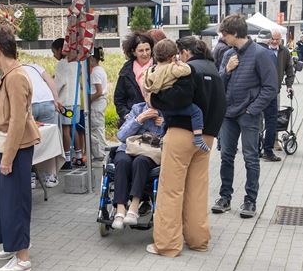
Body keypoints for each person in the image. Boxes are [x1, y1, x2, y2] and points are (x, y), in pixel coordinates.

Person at [147, 35, 226, 256]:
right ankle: (198, 240)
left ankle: (167, 245)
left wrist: (154, 101)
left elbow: (177, 99)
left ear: (185, 53)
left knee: (171, 190)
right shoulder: (215, 72)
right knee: (197, 190)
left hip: (181, 134)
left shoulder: (189, 70)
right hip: (207, 137)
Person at [0, 25, 41, 271]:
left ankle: (22, 257)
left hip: (12, 146)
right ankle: (13, 245)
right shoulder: (11, 74)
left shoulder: (15, 76)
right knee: (2, 199)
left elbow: (18, 120)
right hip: (6, 144)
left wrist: (7, 157)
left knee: (14, 201)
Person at [212, 14, 278, 219]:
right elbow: (219, 84)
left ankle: (250, 201)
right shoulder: (227, 55)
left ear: (235, 33)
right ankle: (225, 197)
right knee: (226, 157)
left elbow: (270, 87)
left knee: (251, 158)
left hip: (248, 115)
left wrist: (253, 109)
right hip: (228, 115)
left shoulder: (260, 54)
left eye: (224, 34)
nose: (222, 38)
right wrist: (228, 70)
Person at [143, 38, 209, 151]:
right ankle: (198, 137)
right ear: (173, 57)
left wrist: (152, 99)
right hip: (178, 108)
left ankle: (162, 138)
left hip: (162, 108)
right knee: (196, 112)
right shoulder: (172, 68)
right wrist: (180, 63)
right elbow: (187, 70)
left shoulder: (151, 71)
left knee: (166, 120)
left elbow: (147, 88)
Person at [112, 90, 164, 230]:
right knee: (122, 162)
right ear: (145, 96)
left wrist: (164, 125)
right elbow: (121, 135)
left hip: (150, 152)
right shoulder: (137, 109)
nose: (152, 99)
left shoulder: (167, 112)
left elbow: (170, 140)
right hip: (128, 148)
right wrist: (139, 120)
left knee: (140, 162)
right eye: (149, 95)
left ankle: (134, 207)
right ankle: (120, 210)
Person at [22, 62, 61, 188]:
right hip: (47, 102)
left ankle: (31, 177)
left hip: (31, 104)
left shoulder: (15, 70)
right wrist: (56, 99)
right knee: (49, 139)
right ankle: (51, 176)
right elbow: (50, 81)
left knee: (30, 140)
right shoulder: (35, 66)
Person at [261, 29, 295, 161]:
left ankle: (274, 141)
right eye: (273, 39)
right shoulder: (263, 51)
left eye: (277, 39)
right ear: (269, 39)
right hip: (262, 90)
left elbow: (289, 69)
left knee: (273, 117)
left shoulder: (284, 51)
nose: (275, 41)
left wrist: (289, 85)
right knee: (260, 118)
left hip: (276, 89)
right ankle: (259, 142)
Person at [52, 38, 83, 169]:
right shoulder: (77, 63)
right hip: (76, 102)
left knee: (65, 130)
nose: (54, 55)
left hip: (65, 102)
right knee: (73, 129)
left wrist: (52, 91)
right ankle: (79, 157)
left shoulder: (62, 64)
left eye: (54, 52)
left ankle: (67, 160)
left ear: (60, 50)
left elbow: (60, 83)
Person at [114, 32, 155, 125]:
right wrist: (127, 115)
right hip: (133, 120)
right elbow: (119, 99)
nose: (145, 53)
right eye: (141, 51)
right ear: (133, 52)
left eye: (147, 49)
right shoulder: (126, 71)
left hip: (156, 120)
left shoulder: (159, 66)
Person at [89, 47, 108, 162]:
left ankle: (101, 152)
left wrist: (88, 99)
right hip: (101, 102)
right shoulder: (100, 70)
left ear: (91, 58)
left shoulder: (95, 72)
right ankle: (101, 151)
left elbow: (98, 91)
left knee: (96, 129)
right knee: (99, 128)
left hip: (97, 103)